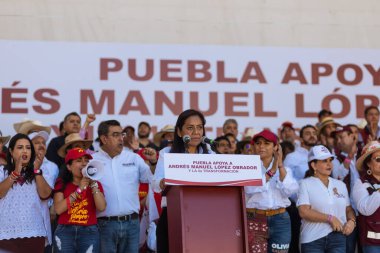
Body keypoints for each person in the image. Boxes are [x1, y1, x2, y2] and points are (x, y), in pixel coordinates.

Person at [152, 109, 213, 253]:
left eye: (199, 127)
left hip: (203, 215)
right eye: (190, 128)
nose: (196, 132)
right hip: (173, 215)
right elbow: (155, 184)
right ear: (179, 132)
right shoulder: (166, 153)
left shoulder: (210, 154)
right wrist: (163, 182)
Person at [92, 120, 157, 253]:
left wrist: (153, 162)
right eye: (115, 135)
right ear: (104, 138)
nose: (121, 138)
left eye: (121, 134)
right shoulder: (92, 161)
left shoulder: (133, 158)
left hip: (132, 224)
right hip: (105, 225)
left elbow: (151, 177)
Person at [245, 130, 298, 253]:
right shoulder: (248, 167)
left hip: (280, 219)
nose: (261, 146)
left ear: (276, 147)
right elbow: (249, 189)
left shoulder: (285, 169)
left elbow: (290, 191)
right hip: (254, 218)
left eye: (266, 143)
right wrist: (272, 171)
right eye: (258, 143)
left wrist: (279, 166)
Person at [297, 145, 356, 253]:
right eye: (324, 161)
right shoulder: (305, 184)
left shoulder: (340, 185)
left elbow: (348, 209)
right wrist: (330, 218)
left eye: (330, 160)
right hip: (312, 239)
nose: (329, 164)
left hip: (338, 238)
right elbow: (303, 212)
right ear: (314, 165)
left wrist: (352, 221)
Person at [0, 134, 52, 253]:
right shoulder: (2, 171)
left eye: (28, 148)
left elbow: (45, 195)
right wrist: (15, 173)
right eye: (20, 147)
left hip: (34, 233)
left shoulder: (41, 172)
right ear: (11, 151)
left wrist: (37, 171)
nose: (25, 151)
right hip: (5, 234)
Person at [53, 148, 106, 253]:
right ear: (69, 166)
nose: (84, 164)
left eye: (86, 160)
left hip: (89, 232)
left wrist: (93, 185)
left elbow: (101, 207)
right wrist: (79, 190)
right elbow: (58, 209)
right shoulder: (61, 183)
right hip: (65, 232)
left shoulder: (96, 184)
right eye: (78, 160)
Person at [283, 124, 318, 253]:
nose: (312, 135)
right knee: (296, 245)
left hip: (319, 207)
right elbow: (286, 183)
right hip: (297, 208)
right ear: (301, 138)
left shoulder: (322, 157)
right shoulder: (292, 157)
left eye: (314, 133)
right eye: (308, 133)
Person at [352, 141, 380, 253]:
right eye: (378, 159)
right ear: (368, 163)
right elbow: (365, 209)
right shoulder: (361, 183)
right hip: (372, 242)